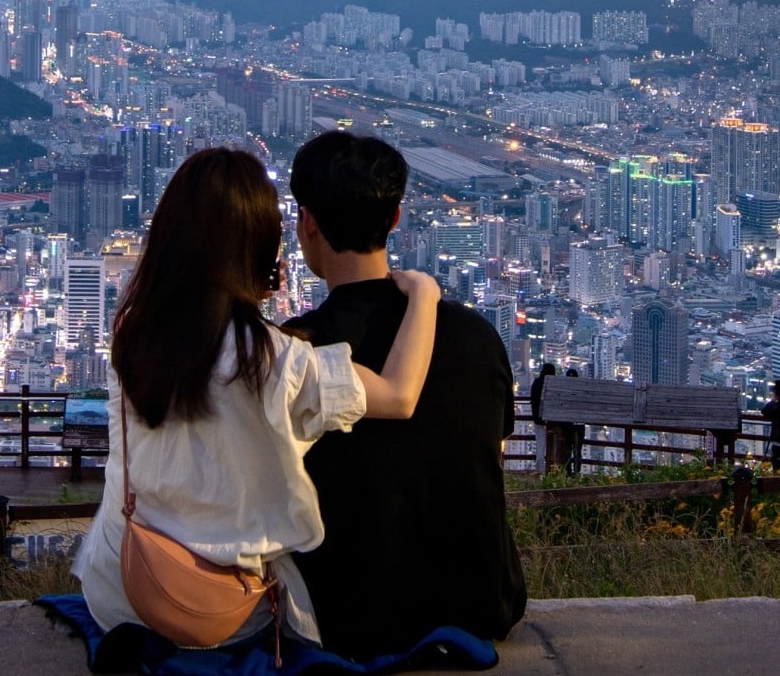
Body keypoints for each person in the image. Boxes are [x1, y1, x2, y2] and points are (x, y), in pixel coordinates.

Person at [72, 147, 441, 648]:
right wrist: (424, 296)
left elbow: (205, 334)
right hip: (217, 610)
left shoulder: (133, 333)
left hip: (121, 586)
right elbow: (399, 395)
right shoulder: (273, 360)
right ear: (258, 246)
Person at [285, 131, 526, 660]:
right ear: (394, 221)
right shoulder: (476, 337)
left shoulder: (296, 351)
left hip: (350, 615)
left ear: (307, 222)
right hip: (481, 602)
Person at [530, 362, 557, 474]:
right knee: (554, 444)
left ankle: (540, 469)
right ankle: (553, 468)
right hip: (552, 419)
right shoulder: (553, 383)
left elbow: (533, 400)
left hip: (538, 419)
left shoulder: (537, 382)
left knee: (540, 444)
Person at [561, 368, 585, 476]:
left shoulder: (564, 390)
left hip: (567, 424)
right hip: (579, 425)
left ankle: (567, 471)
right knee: (577, 450)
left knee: (567, 450)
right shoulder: (582, 390)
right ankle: (576, 472)